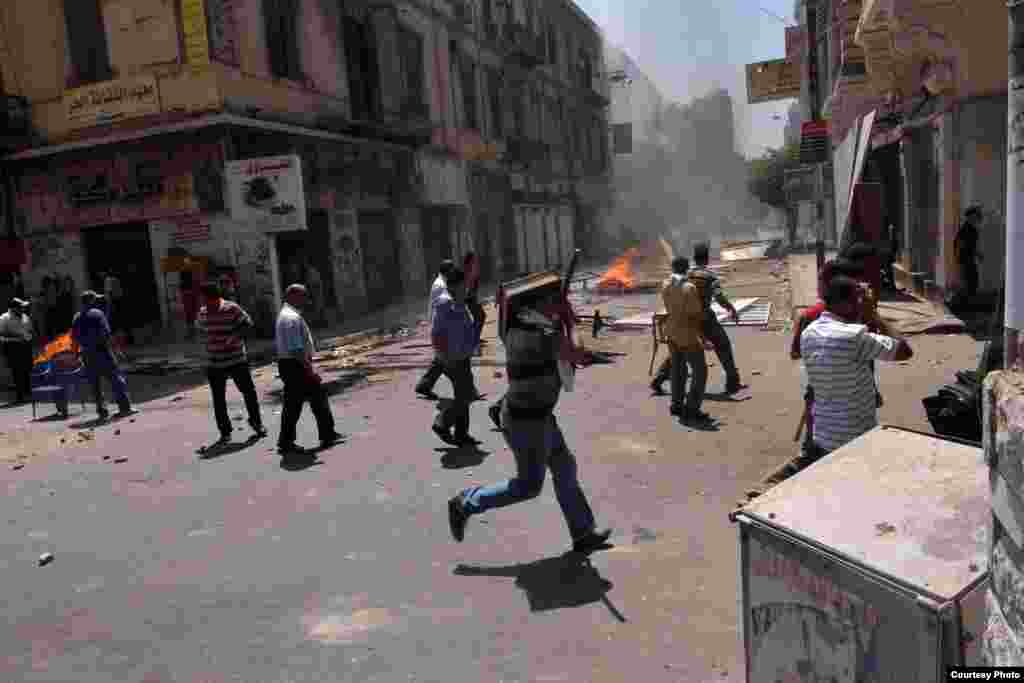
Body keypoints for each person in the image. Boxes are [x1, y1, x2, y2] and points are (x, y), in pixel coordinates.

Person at [446, 280, 612, 555]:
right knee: (528, 486)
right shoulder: (542, 335)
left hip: (539, 416)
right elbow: (577, 354)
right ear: (534, 305)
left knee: (564, 469)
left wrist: (562, 318)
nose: (555, 305)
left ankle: (582, 533)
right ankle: (466, 503)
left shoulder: (517, 327)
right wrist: (570, 320)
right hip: (527, 422)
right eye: (551, 301)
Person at [801, 276, 913, 456]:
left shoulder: (809, 333)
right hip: (855, 440)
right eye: (859, 299)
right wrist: (874, 316)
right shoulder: (854, 337)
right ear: (844, 304)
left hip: (823, 437)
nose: (863, 304)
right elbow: (905, 350)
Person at [274, 284, 343, 458]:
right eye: (303, 296)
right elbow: (296, 349)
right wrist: (309, 370)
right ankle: (289, 441)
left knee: (309, 401)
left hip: (291, 365)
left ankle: (326, 434)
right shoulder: (290, 318)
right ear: (292, 296)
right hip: (295, 366)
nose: (305, 300)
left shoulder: (289, 315)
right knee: (300, 404)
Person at [195, 282, 267, 445]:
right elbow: (199, 331)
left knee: (249, 392)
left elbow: (248, 324)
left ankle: (257, 423)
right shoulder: (203, 312)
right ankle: (225, 432)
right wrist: (204, 346)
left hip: (236, 359)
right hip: (214, 362)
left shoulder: (232, 308)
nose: (204, 303)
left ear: (215, 297)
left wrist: (235, 337)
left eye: (206, 299)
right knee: (218, 399)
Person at [661, 256, 714, 427]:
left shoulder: (665, 284)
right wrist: (704, 339)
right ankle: (692, 409)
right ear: (687, 269)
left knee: (678, 370)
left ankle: (676, 405)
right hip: (687, 335)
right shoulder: (689, 288)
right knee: (700, 371)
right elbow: (695, 317)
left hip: (671, 333)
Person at [430, 268, 479, 446]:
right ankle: (442, 422)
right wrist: (443, 356)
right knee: (465, 395)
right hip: (452, 358)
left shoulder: (458, 302)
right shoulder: (445, 305)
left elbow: (466, 328)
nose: (467, 287)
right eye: (464, 284)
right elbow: (436, 334)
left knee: (463, 395)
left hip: (462, 355)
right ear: (457, 285)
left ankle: (461, 434)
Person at [688, 242, 745, 394]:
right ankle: (732, 383)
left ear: (694, 258)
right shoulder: (710, 276)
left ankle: (659, 378)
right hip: (705, 318)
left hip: (688, 318)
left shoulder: (686, 275)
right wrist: (731, 309)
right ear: (707, 259)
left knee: (681, 347)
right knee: (723, 345)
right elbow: (719, 297)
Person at [71, 291, 135, 420]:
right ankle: (124, 408)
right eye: (95, 300)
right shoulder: (98, 314)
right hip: (102, 352)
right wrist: (116, 350)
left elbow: (74, 339)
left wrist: (76, 355)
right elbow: (106, 334)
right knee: (116, 379)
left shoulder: (76, 317)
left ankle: (102, 411)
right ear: (91, 301)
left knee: (95, 385)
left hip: (87, 354)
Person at [415, 259, 456, 400]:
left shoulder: (441, 283)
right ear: (448, 271)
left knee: (440, 361)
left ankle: (424, 385)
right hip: (441, 327)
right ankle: (466, 389)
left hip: (440, 327)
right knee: (449, 362)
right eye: (452, 270)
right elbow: (445, 307)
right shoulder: (440, 285)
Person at [0, 298, 33, 404]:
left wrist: (30, 336)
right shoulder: (4, 318)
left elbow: (30, 329)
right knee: (17, 371)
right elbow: (1, 334)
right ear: (14, 308)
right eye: (20, 307)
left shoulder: (25, 317)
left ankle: (29, 394)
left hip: (25, 346)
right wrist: (16, 336)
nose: (23, 309)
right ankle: (20, 396)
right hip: (13, 347)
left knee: (27, 369)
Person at [954, 205, 983, 301]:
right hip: (965, 260)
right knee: (970, 281)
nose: (978, 219)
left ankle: (967, 301)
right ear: (970, 217)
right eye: (976, 216)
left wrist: (977, 254)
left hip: (967, 259)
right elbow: (961, 245)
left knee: (972, 281)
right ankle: (965, 303)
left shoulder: (971, 230)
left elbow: (970, 246)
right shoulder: (967, 230)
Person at [463, 251, 486, 352]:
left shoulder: (471, 269)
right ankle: (473, 340)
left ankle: (474, 338)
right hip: (470, 298)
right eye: (474, 259)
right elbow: (469, 285)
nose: (476, 261)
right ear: (470, 260)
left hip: (472, 298)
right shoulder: (468, 270)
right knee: (480, 317)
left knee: (480, 317)